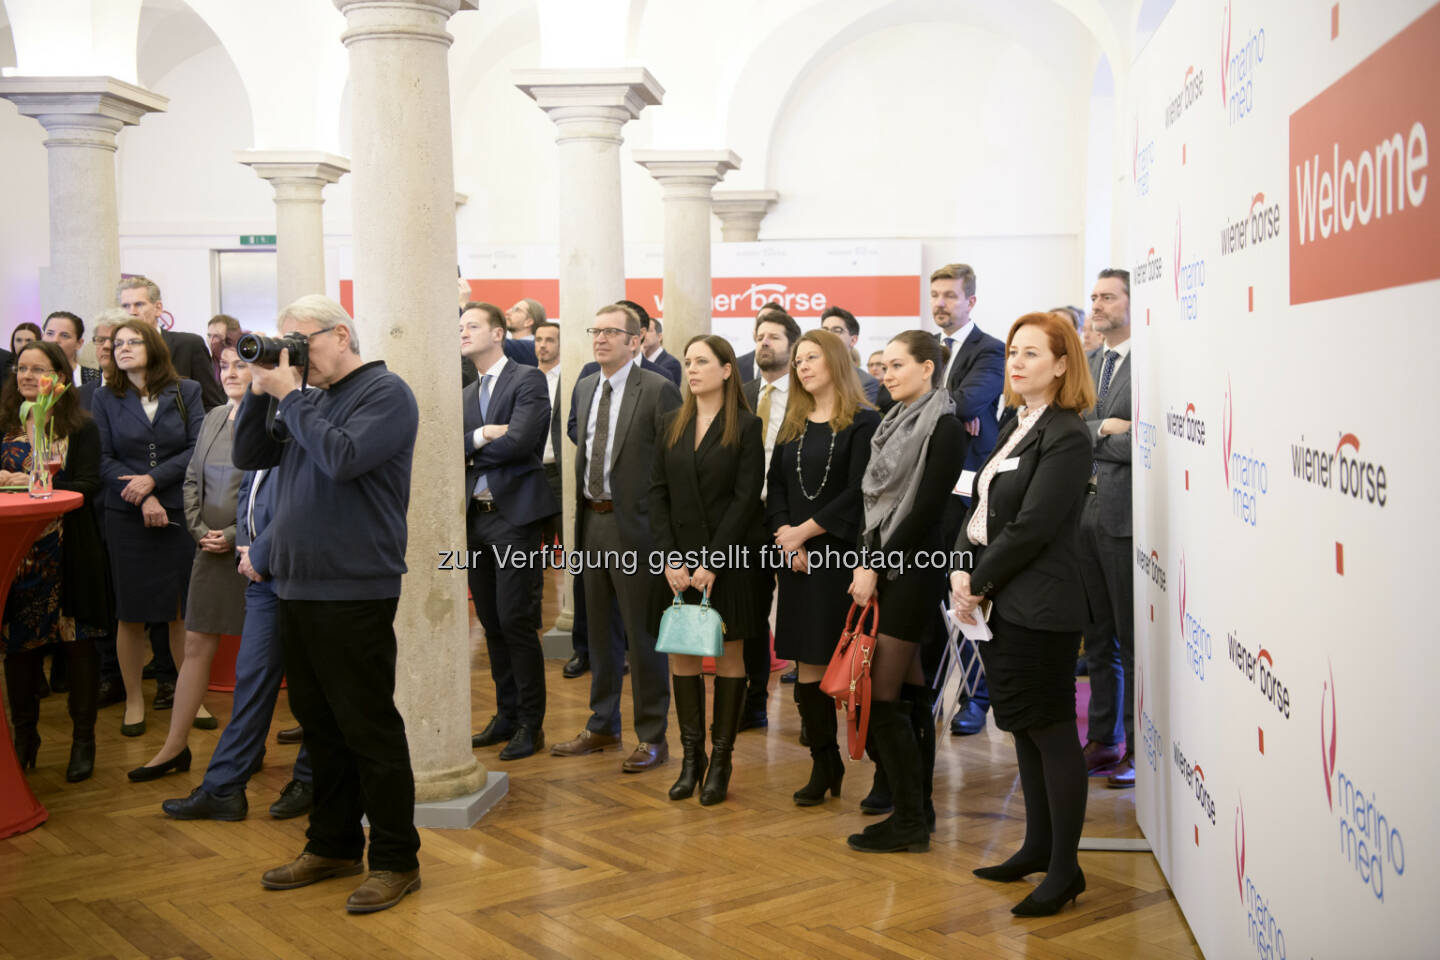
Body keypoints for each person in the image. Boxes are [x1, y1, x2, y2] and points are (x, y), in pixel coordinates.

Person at [233, 294, 421, 914]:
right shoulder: (299, 396)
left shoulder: (385, 393)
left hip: (354, 584)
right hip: (295, 582)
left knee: (368, 728)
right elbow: (250, 458)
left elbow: (342, 460)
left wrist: (290, 395)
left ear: (341, 336)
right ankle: (333, 844)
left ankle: (396, 859)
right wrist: (264, 390)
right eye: (283, 341)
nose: (292, 352)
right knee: (321, 729)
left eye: (300, 340)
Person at [951, 311, 1096, 917]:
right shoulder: (1016, 422)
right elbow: (981, 503)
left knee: (1052, 731)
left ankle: (1065, 870)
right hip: (999, 599)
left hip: (1040, 603)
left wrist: (978, 581)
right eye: (1013, 351)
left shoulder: (1067, 433)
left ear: (1063, 365)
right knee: (1024, 731)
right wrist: (961, 564)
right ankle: (1037, 846)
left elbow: (1035, 524)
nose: (1016, 362)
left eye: (1033, 353)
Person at [845, 330, 964, 854]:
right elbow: (872, 501)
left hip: (913, 573)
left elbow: (925, 511)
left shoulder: (946, 426)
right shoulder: (893, 422)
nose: (886, 374)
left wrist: (875, 564)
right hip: (887, 568)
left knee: (884, 696)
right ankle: (919, 810)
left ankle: (910, 819)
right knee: (911, 696)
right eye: (884, 366)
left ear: (927, 369)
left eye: (897, 365)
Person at [551, 304, 681, 773]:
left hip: (639, 531)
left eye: (612, 331)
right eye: (596, 330)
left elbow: (673, 466)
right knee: (599, 634)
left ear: (636, 340)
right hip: (592, 523)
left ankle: (652, 735)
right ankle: (602, 724)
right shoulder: (585, 386)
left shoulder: (659, 389)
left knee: (642, 637)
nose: (600, 338)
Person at [160, 461, 315, 822]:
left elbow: (303, 500)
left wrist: (259, 554)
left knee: (311, 687)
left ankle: (310, 780)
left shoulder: (304, 409)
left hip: (302, 571)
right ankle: (224, 788)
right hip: (261, 576)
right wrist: (246, 547)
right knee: (252, 679)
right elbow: (249, 490)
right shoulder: (260, 418)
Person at [128, 344, 255, 781]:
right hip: (208, 551)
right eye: (225, 366)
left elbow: (273, 491)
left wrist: (237, 535)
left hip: (255, 551)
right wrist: (201, 532)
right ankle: (173, 747)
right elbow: (191, 479)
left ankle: (248, 749)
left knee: (263, 658)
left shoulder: (277, 420)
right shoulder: (216, 415)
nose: (232, 372)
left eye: (242, 365)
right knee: (197, 645)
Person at [766, 330, 880, 806]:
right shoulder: (792, 424)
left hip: (841, 561)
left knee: (855, 668)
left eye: (811, 357)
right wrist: (785, 537)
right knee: (807, 668)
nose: (803, 366)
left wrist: (804, 532)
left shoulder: (864, 423)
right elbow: (775, 491)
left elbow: (858, 493)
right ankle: (824, 762)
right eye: (798, 360)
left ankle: (883, 772)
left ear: (835, 361)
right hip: (799, 564)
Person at [650, 335, 764, 805]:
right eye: (687, 362)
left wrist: (712, 561)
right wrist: (671, 559)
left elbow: (744, 500)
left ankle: (721, 761)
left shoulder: (747, 425)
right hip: (678, 562)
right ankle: (690, 759)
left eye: (701, 362)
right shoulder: (670, 423)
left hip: (730, 559)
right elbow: (656, 493)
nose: (691, 370)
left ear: (725, 371)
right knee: (683, 654)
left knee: (729, 655)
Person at [0, 342, 111, 782]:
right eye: (21, 368)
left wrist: (33, 480)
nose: (27, 376)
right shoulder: (4, 423)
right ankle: (24, 737)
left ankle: (84, 741)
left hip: (68, 551)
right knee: (19, 651)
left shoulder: (80, 427)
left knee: (79, 648)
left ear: (59, 378)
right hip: (17, 556)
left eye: (38, 370)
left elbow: (88, 485)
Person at [90, 319, 204, 739]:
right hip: (125, 514)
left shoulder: (186, 391)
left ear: (152, 345)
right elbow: (102, 458)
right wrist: (142, 493)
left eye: (132, 341)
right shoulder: (104, 397)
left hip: (177, 509)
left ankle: (193, 696)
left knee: (179, 612)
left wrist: (155, 481)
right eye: (116, 343)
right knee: (131, 612)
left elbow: (197, 448)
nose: (121, 348)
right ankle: (135, 699)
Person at [460, 302, 558, 761]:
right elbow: (449, 449)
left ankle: (530, 725)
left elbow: (521, 442)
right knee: (492, 622)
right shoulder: (464, 393)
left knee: (517, 621)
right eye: (460, 326)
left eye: (472, 325)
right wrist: (481, 437)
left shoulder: (527, 379)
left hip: (514, 519)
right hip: (473, 520)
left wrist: (471, 450)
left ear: (498, 333)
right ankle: (505, 714)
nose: (463, 332)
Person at [929, 263, 1005, 737]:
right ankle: (935, 689)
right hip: (930, 489)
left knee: (969, 596)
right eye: (935, 294)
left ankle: (978, 698)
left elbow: (970, 400)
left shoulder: (990, 349)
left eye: (950, 296)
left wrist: (954, 410)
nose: (940, 303)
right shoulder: (924, 349)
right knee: (934, 596)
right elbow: (911, 404)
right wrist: (951, 411)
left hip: (970, 492)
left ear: (970, 301)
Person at [1079, 269, 1135, 788]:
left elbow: (1147, 440)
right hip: (1083, 516)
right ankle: (1104, 740)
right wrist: (1104, 431)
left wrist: (1099, 438)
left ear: (1132, 302)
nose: (1097, 304)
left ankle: (1137, 749)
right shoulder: (1089, 362)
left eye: (1108, 296)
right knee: (1097, 640)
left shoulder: (1152, 363)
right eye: (1094, 296)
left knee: (1130, 638)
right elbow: (1073, 430)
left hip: (1124, 519)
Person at [738, 307, 804, 729]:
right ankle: (755, 700)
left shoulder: (807, 395)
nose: (765, 342)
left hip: (794, 524)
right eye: (760, 335)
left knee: (798, 614)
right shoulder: (742, 393)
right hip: (748, 519)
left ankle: (809, 710)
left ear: (793, 346)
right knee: (751, 614)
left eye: (774, 336)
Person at [116, 276, 226, 409]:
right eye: (125, 306)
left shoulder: (189, 345)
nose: (131, 312)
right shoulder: (117, 351)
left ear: (158, 308)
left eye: (139, 304)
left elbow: (212, 406)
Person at [533, 320, 564, 560]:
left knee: (566, 541)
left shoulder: (568, 379)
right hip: (529, 471)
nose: (543, 345)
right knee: (531, 548)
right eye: (538, 340)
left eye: (550, 340)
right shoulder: (524, 379)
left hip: (558, 472)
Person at [818, 306, 886, 407]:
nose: (828, 335)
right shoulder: (809, 374)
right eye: (824, 330)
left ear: (853, 340)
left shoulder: (865, 382)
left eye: (836, 330)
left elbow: (857, 420)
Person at [42, 311, 86, 384]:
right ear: (42, 337)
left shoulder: (94, 378)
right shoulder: (29, 377)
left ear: (79, 343)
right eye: (50, 333)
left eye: (64, 335)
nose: (55, 340)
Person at [639, 316, 683, 385]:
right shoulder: (636, 359)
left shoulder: (672, 363)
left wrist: (642, 360)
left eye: (649, 331)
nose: (644, 334)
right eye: (641, 331)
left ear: (659, 337)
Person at [207, 314, 241, 381]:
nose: (211, 341)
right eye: (209, 336)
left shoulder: (243, 363)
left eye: (217, 336)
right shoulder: (207, 365)